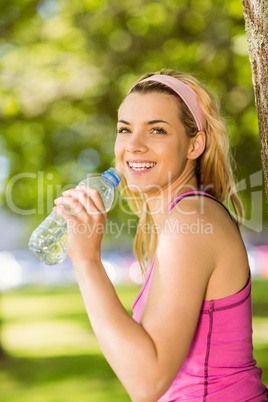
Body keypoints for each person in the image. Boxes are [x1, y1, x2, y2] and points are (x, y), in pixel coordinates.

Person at [53, 69, 268, 401]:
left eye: (157, 130)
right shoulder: (182, 219)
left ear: (194, 144)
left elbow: (147, 382)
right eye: (125, 129)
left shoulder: (190, 221)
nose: (134, 145)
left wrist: (86, 260)